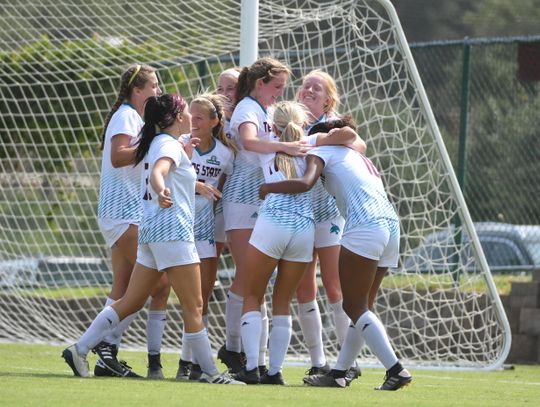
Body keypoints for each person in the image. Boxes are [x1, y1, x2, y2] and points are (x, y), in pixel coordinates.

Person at [62, 93, 244, 385]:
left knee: (131, 300)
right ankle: (211, 374)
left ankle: (79, 349)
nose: (188, 115)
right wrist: (161, 190)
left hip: (151, 232)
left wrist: (184, 159)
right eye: (185, 111)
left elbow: (168, 168)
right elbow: (160, 172)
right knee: (194, 305)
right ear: (172, 118)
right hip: (173, 232)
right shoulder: (167, 145)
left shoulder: (164, 142)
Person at [259, 121, 413, 390]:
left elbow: (306, 183)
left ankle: (396, 369)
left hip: (365, 224)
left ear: (323, 136)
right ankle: (340, 372)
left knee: (353, 306)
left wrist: (269, 188)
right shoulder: (356, 155)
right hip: (390, 224)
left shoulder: (323, 150)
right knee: (361, 307)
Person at [218, 57, 307, 375]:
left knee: (259, 285)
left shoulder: (267, 111)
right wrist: (287, 147)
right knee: (249, 279)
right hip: (243, 199)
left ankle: (259, 362)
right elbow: (249, 142)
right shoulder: (246, 108)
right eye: (277, 87)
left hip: (266, 200)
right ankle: (234, 350)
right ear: (260, 83)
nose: (280, 93)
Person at [94, 63, 170, 379]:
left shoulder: (135, 117)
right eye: (153, 85)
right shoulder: (126, 115)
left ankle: (103, 354)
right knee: (159, 281)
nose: (158, 91)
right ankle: (101, 346)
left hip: (122, 212)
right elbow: (118, 155)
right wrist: (153, 143)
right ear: (136, 90)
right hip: (121, 211)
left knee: (124, 286)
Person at [294, 70, 363, 381]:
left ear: (329, 99)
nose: (309, 90)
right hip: (298, 213)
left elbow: (359, 145)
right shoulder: (289, 121)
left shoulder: (335, 124)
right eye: (306, 85)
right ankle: (318, 361)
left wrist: (323, 138)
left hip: (331, 213)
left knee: (335, 287)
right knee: (303, 286)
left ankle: (349, 361)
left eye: (317, 88)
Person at [175, 93, 236, 380]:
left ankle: (190, 363)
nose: (194, 121)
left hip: (205, 231)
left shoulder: (225, 155)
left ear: (214, 122)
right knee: (163, 293)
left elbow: (221, 190)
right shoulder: (179, 145)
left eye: (200, 117)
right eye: (191, 115)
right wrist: (195, 184)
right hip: (174, 229)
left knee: (203, 297)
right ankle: (155, 359)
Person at [214, 68, 240, 262]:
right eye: (219, 88)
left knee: (246, 265)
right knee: (208, 258)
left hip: (243, 200)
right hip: (213, 199)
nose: (224, 94)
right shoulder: (212, 123)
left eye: (230, 88)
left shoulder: (251, 119)